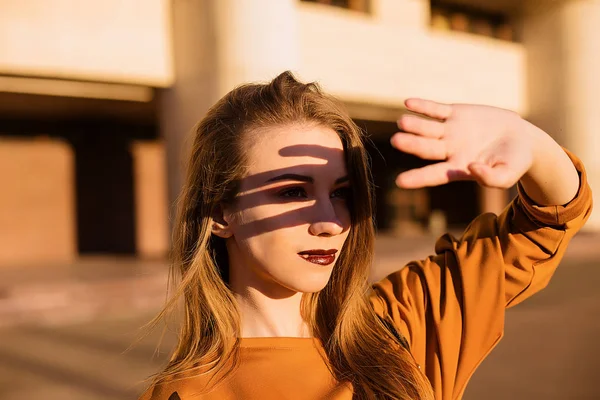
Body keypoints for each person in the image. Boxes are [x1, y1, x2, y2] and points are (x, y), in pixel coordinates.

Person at [139, 71, 592, 400]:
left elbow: (545, 224)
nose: (331, 221)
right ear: (221, 211)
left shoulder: (402, 321)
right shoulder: (185, 394)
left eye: (342, 193)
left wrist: (530, 143)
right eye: (294, 191)